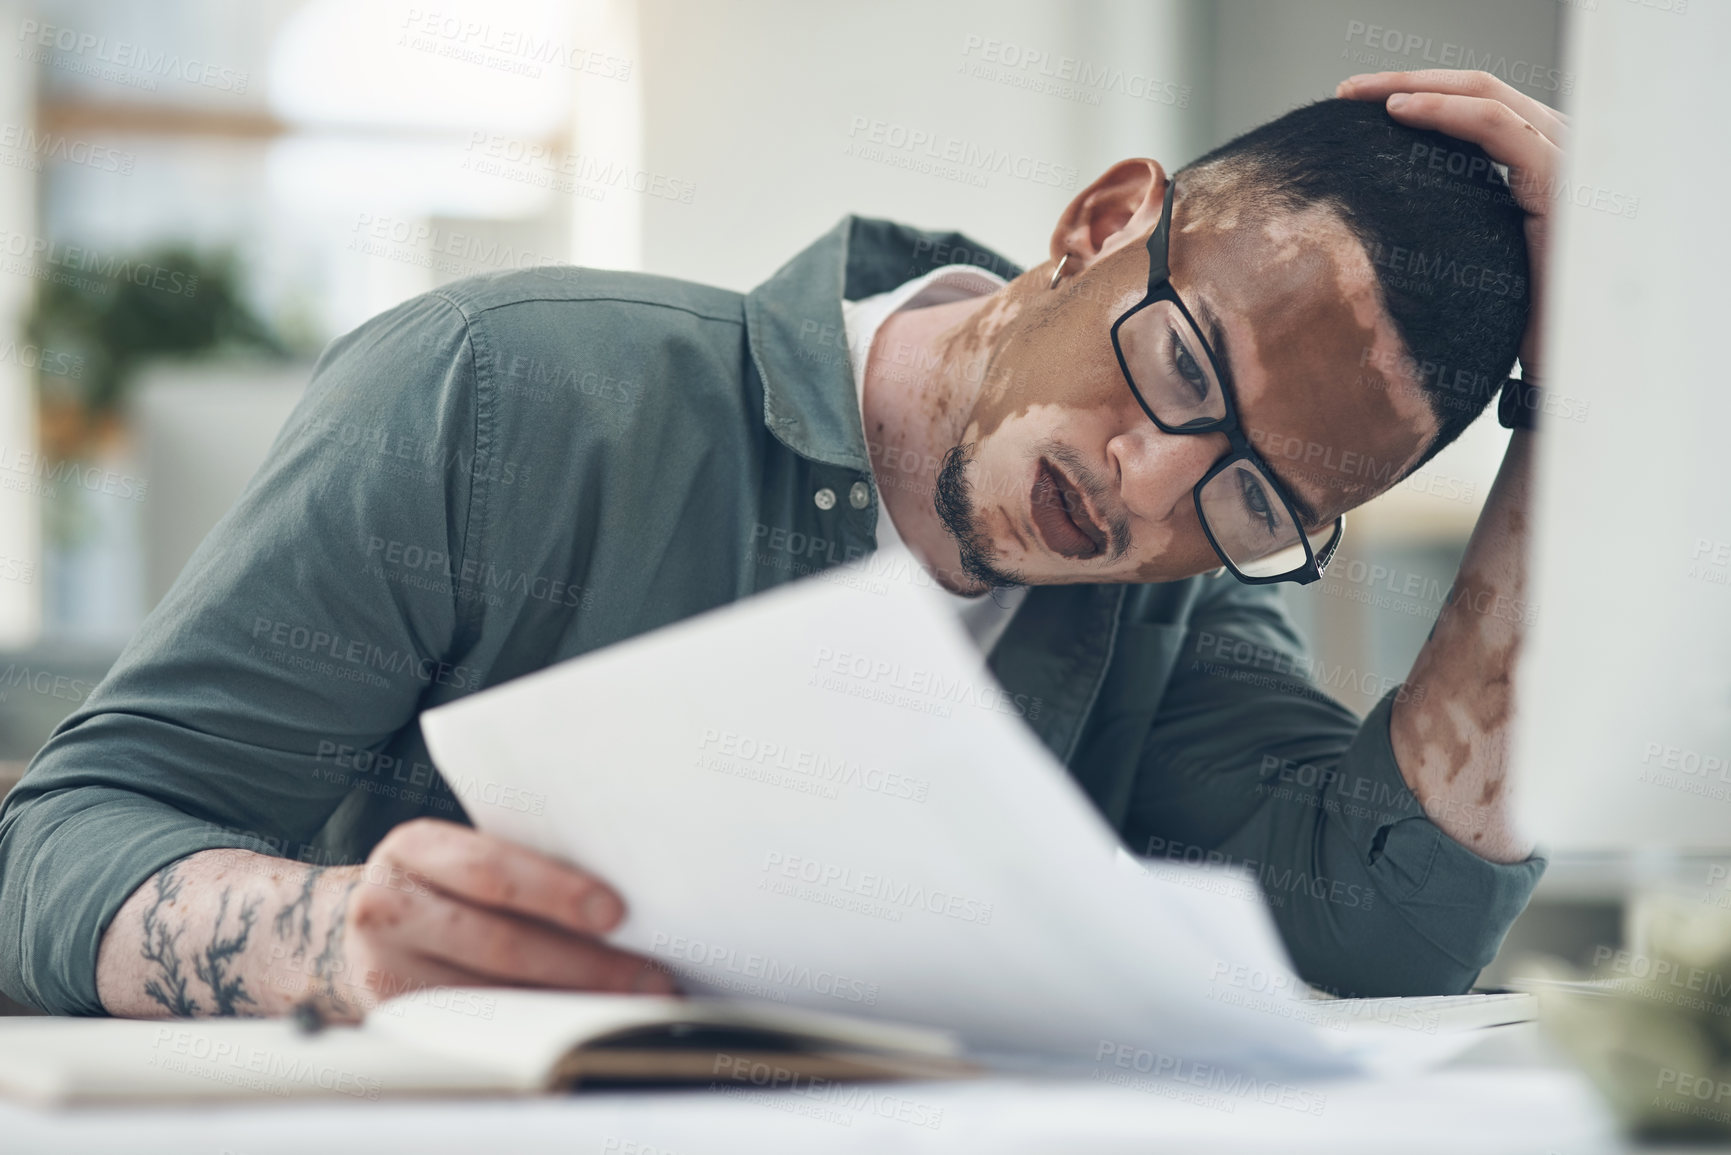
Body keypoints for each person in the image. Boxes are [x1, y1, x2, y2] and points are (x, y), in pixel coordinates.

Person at [0, 70, 1564, 1020]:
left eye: (1258, 502)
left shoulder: (1177, 606)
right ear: (1095, 223)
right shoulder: (501, 393)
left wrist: (1589, 414)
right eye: (1177, 367)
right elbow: (56, 846)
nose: (1150, 490)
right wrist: (329, 938)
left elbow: (1386, 923)